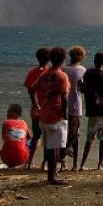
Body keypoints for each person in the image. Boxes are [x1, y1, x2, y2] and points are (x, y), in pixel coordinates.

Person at [35, 46, 70, 185]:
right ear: (63, 59)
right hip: (56, 115)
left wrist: (37, 105)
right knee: (55, 147)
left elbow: (32, 89)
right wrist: (65, 114)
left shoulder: (44, 74)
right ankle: (52, 176)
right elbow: (65, 98)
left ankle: (52, 174)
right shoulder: (62, 76)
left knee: (49, 147)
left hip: (44, 114)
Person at [82, 52, 103, 171]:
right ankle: (100, 164)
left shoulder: (88, 73)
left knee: (89, 139)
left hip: (92, 110)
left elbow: (83, 88)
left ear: (94, 61)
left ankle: (82, 164)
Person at [23, 47, 50, 170]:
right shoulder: (50, 73)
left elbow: (30, 91)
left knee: (36, 136)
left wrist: (36, 105)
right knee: (47, 138)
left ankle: (30, 161)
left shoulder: (32, 73)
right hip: (47, 110)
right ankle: (44, 163)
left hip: (35, 110)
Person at [61, 46, 87, 171]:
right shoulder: (82, 70)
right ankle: (75, 164)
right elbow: (83, 89)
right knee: (75, 136)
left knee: (63, 135)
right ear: (81, 57)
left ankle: (63, 163)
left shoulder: (63, 69)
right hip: (76, 107)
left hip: (62, 106)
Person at [0, 103, 31, 168]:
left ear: (15, 113)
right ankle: (29, 162)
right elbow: (30, 139)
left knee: (8, 142)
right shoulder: (24, 123)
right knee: (32, 141)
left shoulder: (5, 122)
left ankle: (10, 164)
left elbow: (3, 138)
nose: (7, 114)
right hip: (21, 159)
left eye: (8, 112)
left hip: (5, 158)